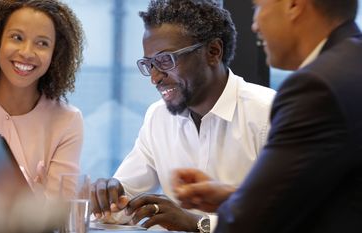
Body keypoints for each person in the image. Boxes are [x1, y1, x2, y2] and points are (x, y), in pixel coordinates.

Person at [172, 0, 362, 232]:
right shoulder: (352, 62)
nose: (254, 25)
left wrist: (238, 208)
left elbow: (246, 223)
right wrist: (236, 197)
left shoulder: (316, 86)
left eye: (258, 7)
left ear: (294, 5)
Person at [90, 0, 275, 231]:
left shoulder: (268, 113)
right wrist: (108, 196)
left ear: (213, 52)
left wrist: (198, 224)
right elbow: (122, 203)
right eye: (149, 64)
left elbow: (288, 216)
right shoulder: (158, 117)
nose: (155, 78)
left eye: (165, 60)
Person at [0, 0, 84, 199]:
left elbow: (60, 211)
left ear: (56, 54)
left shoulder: (68, 121)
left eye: (42, 43)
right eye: (17, 37)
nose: (27, 52)